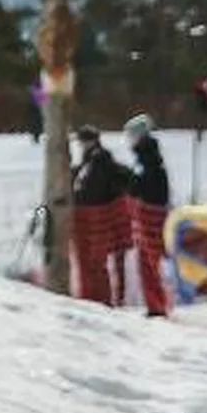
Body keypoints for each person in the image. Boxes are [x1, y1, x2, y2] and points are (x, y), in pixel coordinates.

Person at [67, 125, 134, 306]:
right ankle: (98, 297)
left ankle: (101, 299)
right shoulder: (89, 162)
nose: (80, 145)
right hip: (92, 218)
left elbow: (93, 189)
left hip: (96, 219)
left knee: (96, 264)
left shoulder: (99, 162)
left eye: (82, 141)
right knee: (94, 264)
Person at [122, 113, 174, 318]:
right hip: (148, 214)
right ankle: (155, 304)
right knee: (146, 264)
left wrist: (132, 185)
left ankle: (159, 305)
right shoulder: (144, 157)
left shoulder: (149, 158)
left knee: (152, 263)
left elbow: (148, 187)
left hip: (152, 217)